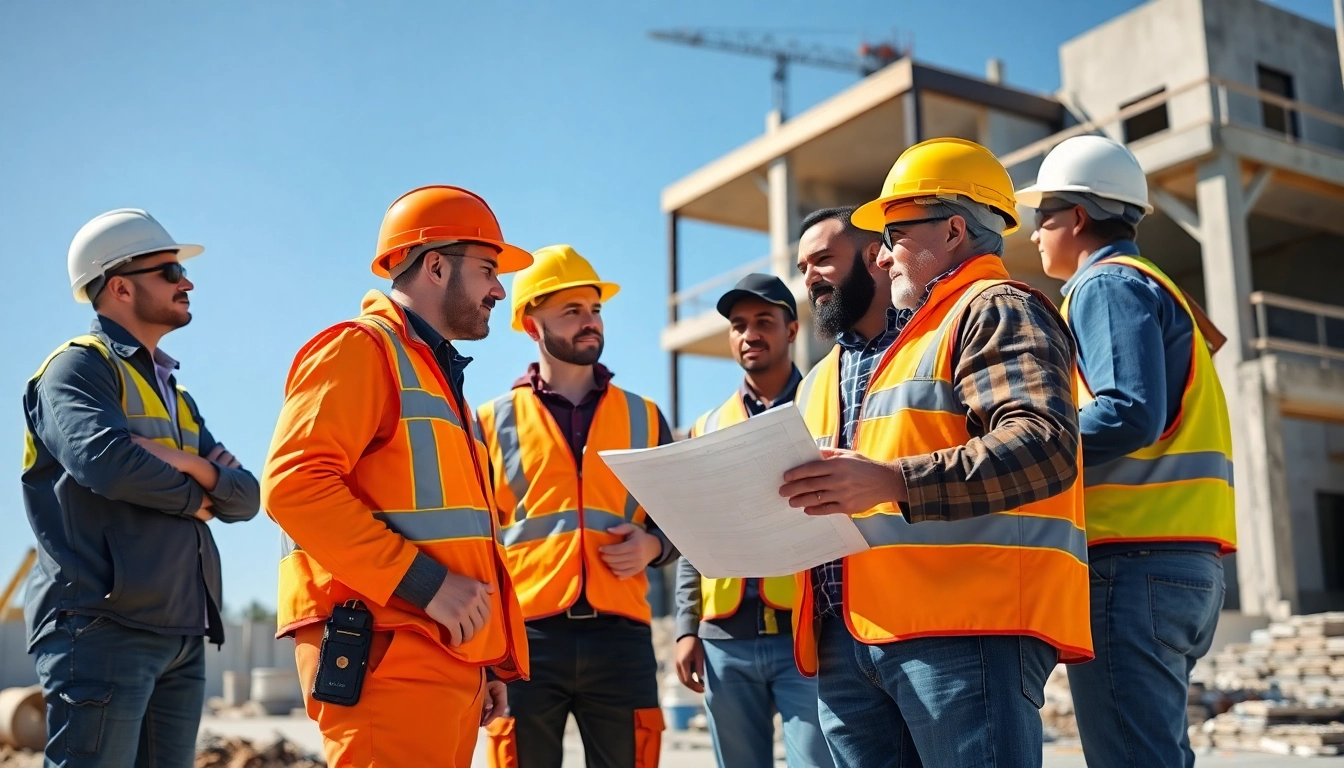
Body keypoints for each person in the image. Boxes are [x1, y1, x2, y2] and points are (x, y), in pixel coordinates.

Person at [779, 138, 1092, 768]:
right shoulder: (908, 339)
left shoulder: (996, 307)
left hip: (963, 629)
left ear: (953, 230)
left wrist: (893, 481)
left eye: (895, 233)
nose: (884, 254)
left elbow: (1044, 443)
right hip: (855, 630)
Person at [262, 186, 531, 767]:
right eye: (487, 269)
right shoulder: (359, 350)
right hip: (388, 660)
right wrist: (426, 586)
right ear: (435, 265)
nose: (498, 289)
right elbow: (293, 487)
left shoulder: (434, 378)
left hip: (444, 660)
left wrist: (487, 658)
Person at [1019, 135, 1235, 768]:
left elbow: (1125, 412)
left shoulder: (1106, 285)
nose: (1035, 234)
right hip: (1177, 567)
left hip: (1132, 568)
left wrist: (1022, 448)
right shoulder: (1155, 285)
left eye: (1044, 217)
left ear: (1079, 217)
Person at [23, 208, 261, 766]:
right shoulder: (77, 370)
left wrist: (194, 469)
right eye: (170, 272)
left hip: (181, 632)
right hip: (103, 629)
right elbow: (107, 462)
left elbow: (246, 497)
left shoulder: (176, 397)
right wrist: (199, 497)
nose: (187, 282)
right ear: (121, 287)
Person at [477, 245, 677, 768]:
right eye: (572, 312)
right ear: (530, 325)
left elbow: (682, 520)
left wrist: (654, 545)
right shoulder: (487, 423)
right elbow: (473, 537)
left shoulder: (645, 416)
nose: (590, 323)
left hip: (622, 636)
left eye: (595, 310)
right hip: (525, 638)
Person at [672, 273, 833, 768]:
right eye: (739, 325)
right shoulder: (706, 425)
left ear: (791, 330)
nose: (750, 334)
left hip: (809, 635)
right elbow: (692, 537)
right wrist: (685, 628)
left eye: (764, 321)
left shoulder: (827, 406)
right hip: (725, 642)